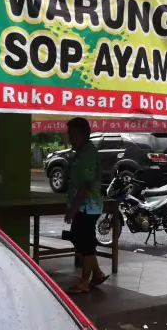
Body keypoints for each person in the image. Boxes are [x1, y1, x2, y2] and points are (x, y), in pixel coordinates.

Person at [64, 117, 108, 294]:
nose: (70, 138)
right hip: (84, 206)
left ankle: (84, 281)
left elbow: (86, 185)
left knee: (84, 242)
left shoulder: (88, 153)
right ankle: (96, 273)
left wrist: (73, 209)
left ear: (82, 134)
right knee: (80, 239)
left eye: (72, 134)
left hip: (88, 206)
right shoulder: (81, 152)